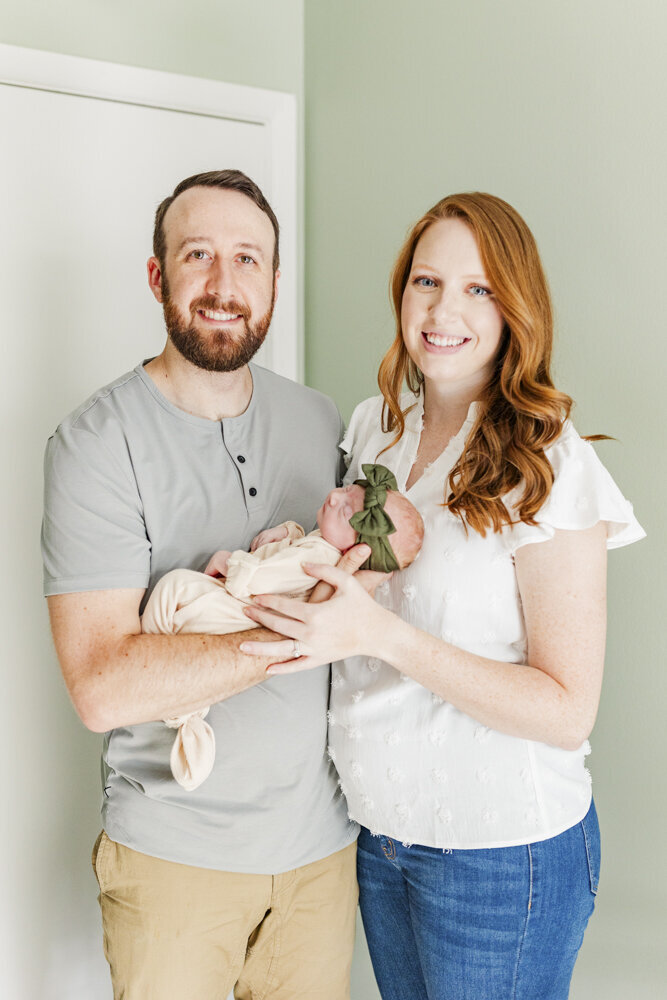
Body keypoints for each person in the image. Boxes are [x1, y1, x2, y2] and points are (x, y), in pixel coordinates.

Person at [239, 192, 646, 999]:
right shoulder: (372, 429)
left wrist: (376, 637)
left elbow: (565, 709)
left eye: (477, 289)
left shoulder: (548, 465)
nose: (442, 310)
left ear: (513, 308)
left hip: (499, 853)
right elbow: (350, 575)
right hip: (381, 838)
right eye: (426, 281)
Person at [41, 169, 365, 1000]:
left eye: (248, 260)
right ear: (158, 276)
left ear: (275, 283)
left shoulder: (319, 421)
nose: (224, 286)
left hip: (320, 862)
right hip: (174, 867)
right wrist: (294, 633)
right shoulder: (95, 444)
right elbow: (104, 689)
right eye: (198, 256)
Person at [143, 467, 424, 790]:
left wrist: (226, 561)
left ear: (356, 551)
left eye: (347, 510)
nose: (335, 497)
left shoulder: (319, 556)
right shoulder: (325, 545)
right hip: (254, 610)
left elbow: (260, 578)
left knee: (175, 588)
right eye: (348, 491)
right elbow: (303, 547)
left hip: (243, 612)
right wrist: (289, 532)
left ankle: (168, 694)